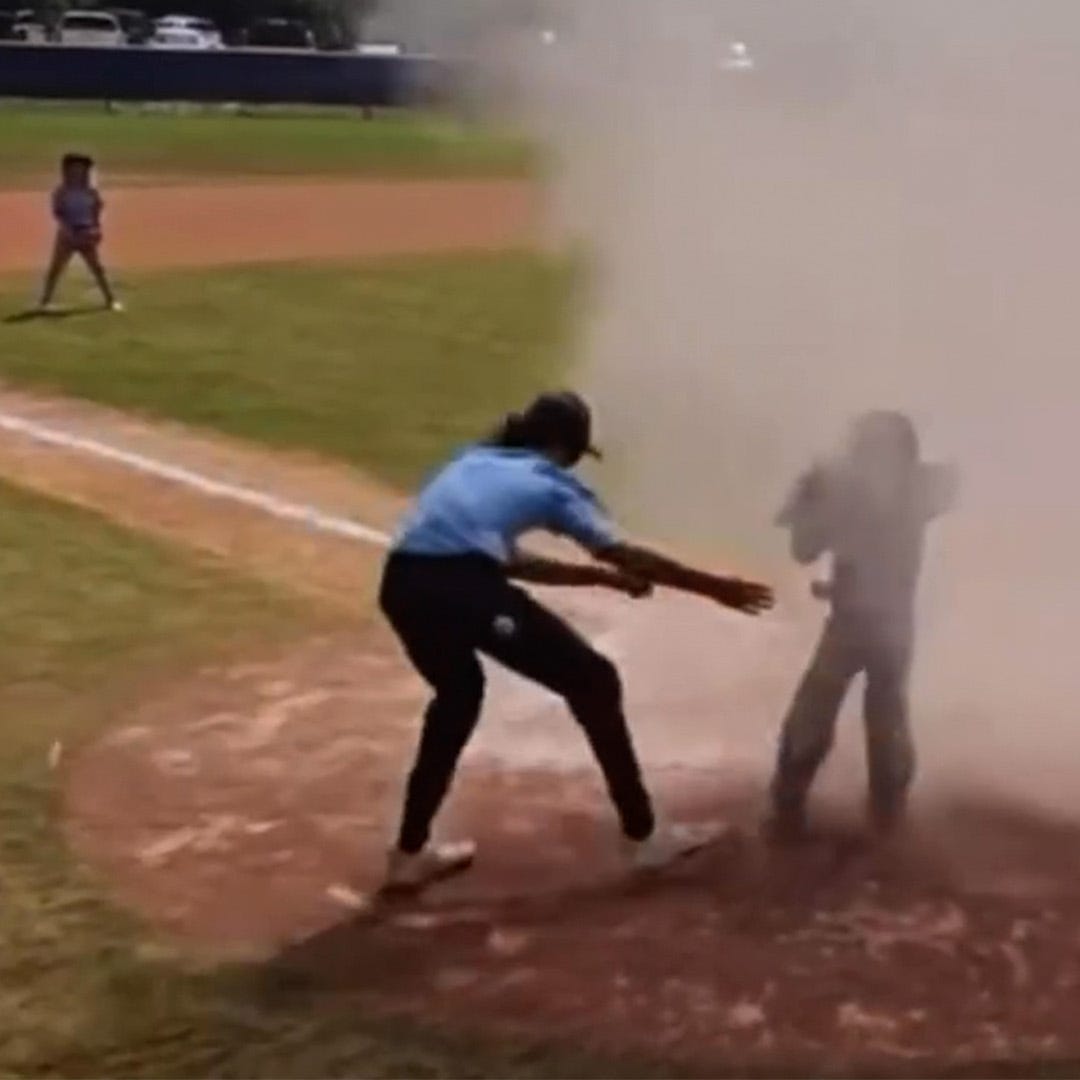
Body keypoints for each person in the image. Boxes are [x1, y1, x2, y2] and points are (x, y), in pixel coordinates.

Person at [379, 390, 774, 893]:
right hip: (459, 587)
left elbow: (508, 563)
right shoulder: (552, 485)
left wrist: (598, 581)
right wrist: (714, 587)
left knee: (458, 697)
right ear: (564, 446)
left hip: (402, 585)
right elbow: (622, 552)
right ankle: (644, 837)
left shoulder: (472, 459)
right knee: (593, 680)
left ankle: (408, 855)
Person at [768, 410, 957, 842]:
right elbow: (805, 548)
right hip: (871, 623)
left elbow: (804, 549)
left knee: (832, 717)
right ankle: (875, 817)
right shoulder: (907, 490)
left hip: (866, 625)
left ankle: (799, 810)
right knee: (873, 716)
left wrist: (813, 499)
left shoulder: (880, 492)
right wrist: (815, 503)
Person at [38, 152, 122, 313]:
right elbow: (58, 212)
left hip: (86, 231)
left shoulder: (91, 191)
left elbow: (97, 209)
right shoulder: (61, 191)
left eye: (81, 169)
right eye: (74, 169)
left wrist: (96, 228)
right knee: (56, 268)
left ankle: (110, 300)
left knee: (97, 268)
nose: (78, 172)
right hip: (67, 234)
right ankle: (45, 301)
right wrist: (67, 229)